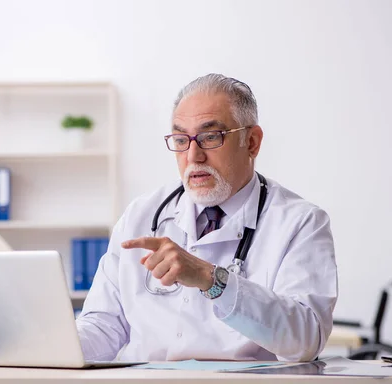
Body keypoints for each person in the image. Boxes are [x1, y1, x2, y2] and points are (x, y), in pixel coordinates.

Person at [75, 73, 338, 362]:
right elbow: (104, 326)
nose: (193, 156)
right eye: (180, 139)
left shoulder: (301, 223)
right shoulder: (140, 214)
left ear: (251, 142)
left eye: (210, 137)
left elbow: (306, 339)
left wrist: (210, 279)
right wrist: (49, 347)